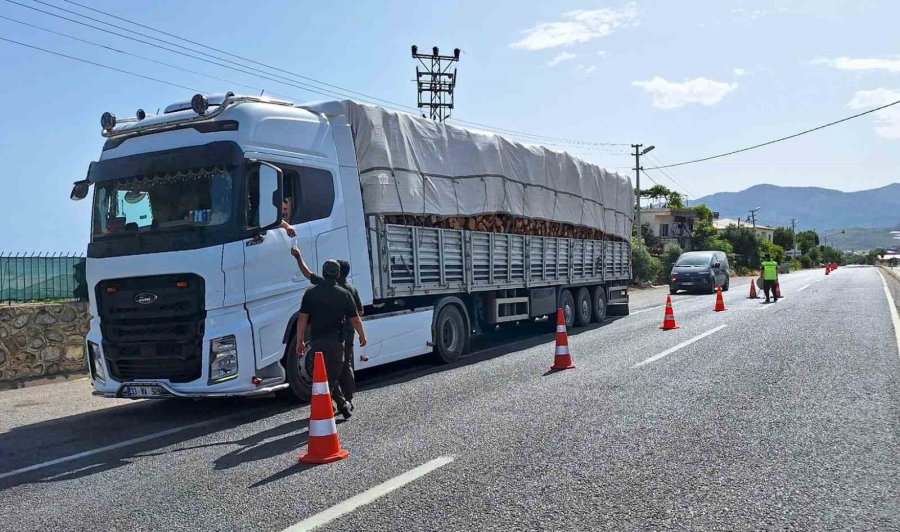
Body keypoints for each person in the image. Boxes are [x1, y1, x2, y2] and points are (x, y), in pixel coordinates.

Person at [291, 247, 363, 408]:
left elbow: (307, 273)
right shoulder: (349, 290)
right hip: (344, 334)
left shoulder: (318, 287)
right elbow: (359, 314)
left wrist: (298, 257)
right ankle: (347, 398)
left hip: (320, 336)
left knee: (326, 368)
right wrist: (361, 334)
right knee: (344, 365)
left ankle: (336, 399)